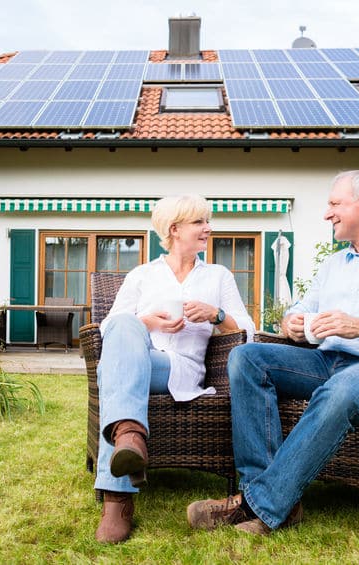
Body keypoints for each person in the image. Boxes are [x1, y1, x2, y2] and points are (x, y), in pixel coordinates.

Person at [187, 170, 359, 535]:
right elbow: (297, 312)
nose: (327, 213)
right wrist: (291, 325)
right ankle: (272, 494)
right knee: (247, 357)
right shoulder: (334, 264)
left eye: (334, 204)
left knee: (340, 390)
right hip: (324, 359)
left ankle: (257, 504)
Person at [94, 194, 255, 543]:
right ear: (174, 229)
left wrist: (217, 315)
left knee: (113, 373)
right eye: (200, 222)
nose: (208, 228)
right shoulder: (142, 275)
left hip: (182, 371)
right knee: (122, 327)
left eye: (207, 221)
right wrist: (145, 321)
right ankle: (129, 440)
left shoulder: (217, 276)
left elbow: (249, 331)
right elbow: (108, 329)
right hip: (142, 363)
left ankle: (117, 494)